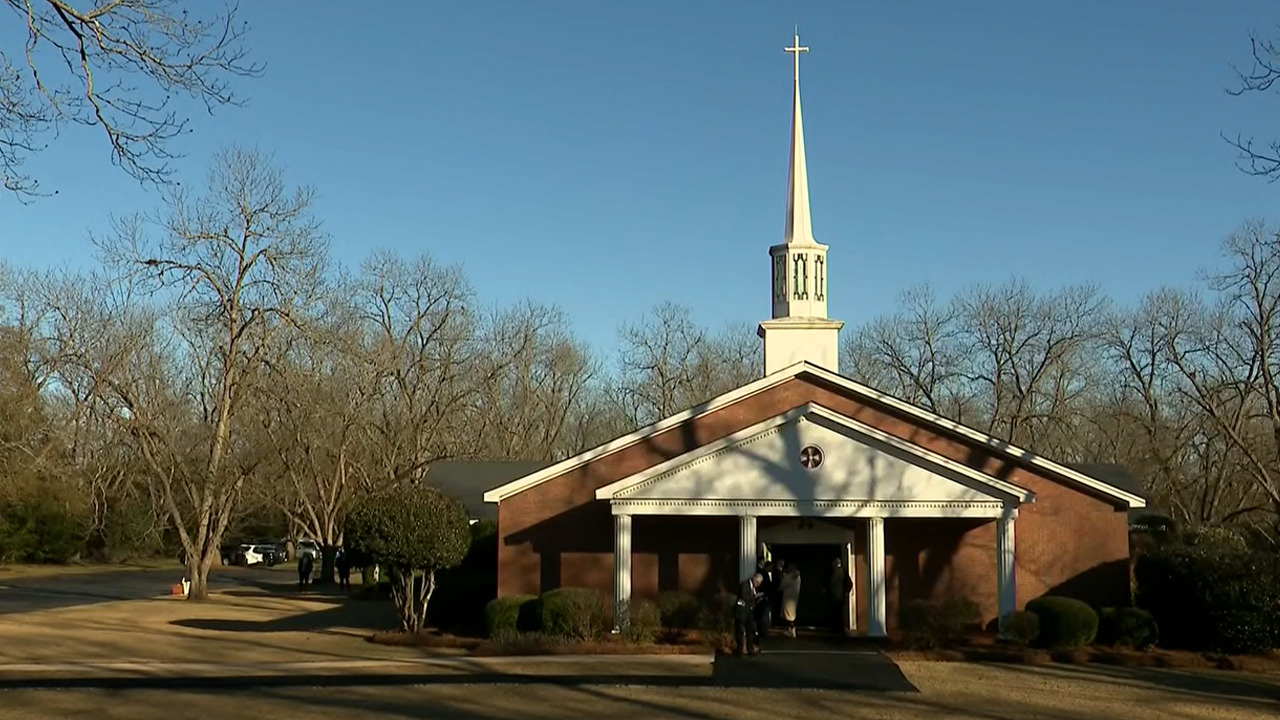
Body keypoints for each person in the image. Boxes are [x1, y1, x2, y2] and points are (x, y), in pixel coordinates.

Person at [735, 572, 764, 656]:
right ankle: (740, 650)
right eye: (758, 582)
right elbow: (744, 596)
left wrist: (757, 599)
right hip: (742, 611)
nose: (758, 585)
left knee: (750, 630)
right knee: (740, 631)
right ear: (754, 579)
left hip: (749, 611)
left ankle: (750, 648)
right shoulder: (745, 584)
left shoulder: (754, 587)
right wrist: (754, 597)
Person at [828, 557, 853, 632]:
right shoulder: (843, 571)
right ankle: (839, 628)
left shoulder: (838, 572)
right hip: (840, 595)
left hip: (837, 596)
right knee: (839, 612)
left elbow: (833, 583)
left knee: (837, 613)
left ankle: (837, 628)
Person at [780, 561, 802, 638]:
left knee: (789, 616)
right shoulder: (797, 577)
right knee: (792, 614)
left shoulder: (788, 577)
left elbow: (782, 586)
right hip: (794, 597)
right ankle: (791, 630)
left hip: (787, 598)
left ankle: (792, 631)